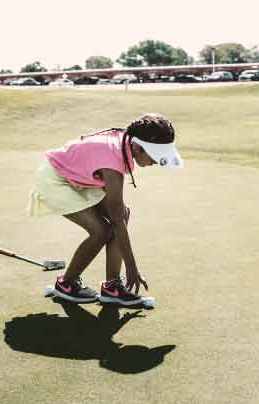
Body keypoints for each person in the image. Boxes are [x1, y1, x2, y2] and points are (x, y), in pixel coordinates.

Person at [27, 113, 183, 304]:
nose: (157, 162)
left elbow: (119, 216)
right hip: (56, 178)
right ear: (137, 146)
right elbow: (115, 221)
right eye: (155, 156)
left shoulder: (126, 144)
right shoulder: (113, 161)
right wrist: (132, 267)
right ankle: (66, 284)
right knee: (101, 230)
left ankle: (112, 287)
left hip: (79, 177)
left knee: (123, 214)